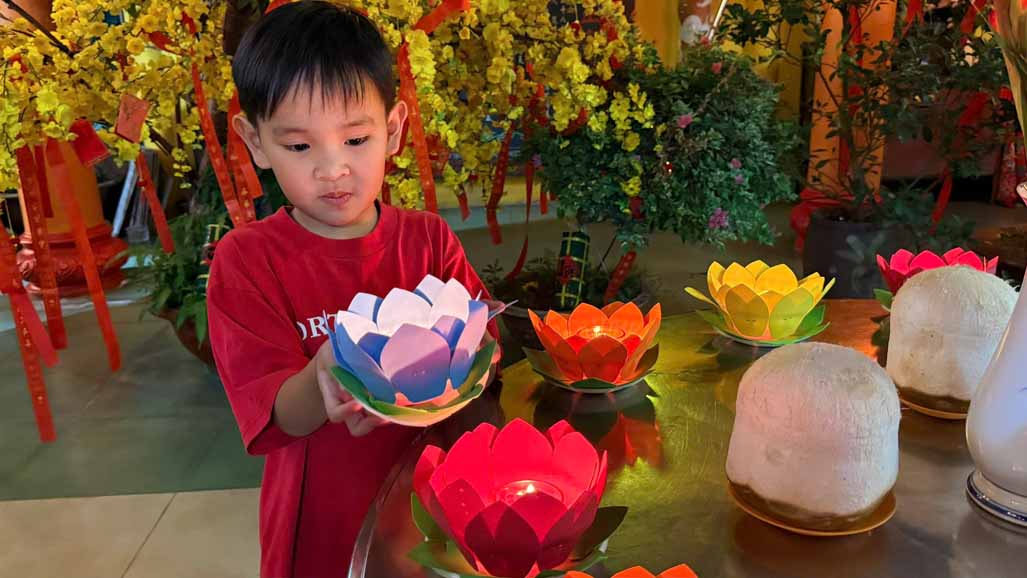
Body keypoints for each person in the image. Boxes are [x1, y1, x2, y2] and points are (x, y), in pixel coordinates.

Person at [207, 2, 497, 576]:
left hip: (434, 504)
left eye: (356, 138)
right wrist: (328, 371)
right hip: (323, 521)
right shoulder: (248, 261)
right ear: (255, 141)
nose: (332, 168)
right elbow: (276, 415)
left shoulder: (429, 241)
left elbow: (485, 353)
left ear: (393, 129)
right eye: (299, 147)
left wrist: (473, 350)